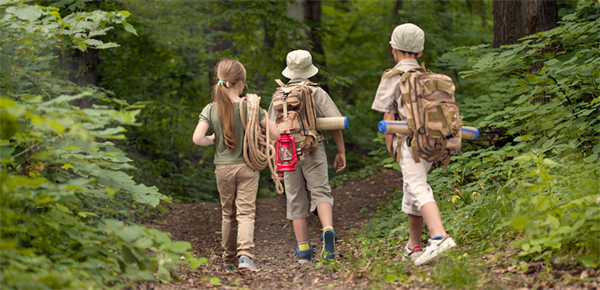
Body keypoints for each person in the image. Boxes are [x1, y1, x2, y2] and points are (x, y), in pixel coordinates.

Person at [371, 23, 457, 266]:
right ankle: (413, 246)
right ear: (420, 52)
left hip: (409, 143)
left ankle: (439, 236)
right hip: (434, 143)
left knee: (417, 187)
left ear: (394, 49)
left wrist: (391, 145)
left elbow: (388, 115)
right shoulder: (429, 78)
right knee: (412, 191)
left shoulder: (393, 76)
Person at [193, 59, 280, 271]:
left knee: (227, 213)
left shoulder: (211, 108)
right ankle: (245, 257)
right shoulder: (251, 107)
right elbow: (275, 134)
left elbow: (197, 138)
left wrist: (214, 139)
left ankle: (229, 260)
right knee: (246, 212)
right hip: (247, 166)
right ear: (241, 83)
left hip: (222, 167)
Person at [268, 50, 346, 264]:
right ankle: (328, 229)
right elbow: (335, 123)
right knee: (320, 191)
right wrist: (341, 151)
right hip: (313, 147)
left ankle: (303, 251)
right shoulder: (315, 91)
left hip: (286, 152)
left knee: (294, 198)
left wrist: (277, 162)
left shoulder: (279, 94)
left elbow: (271, 131)